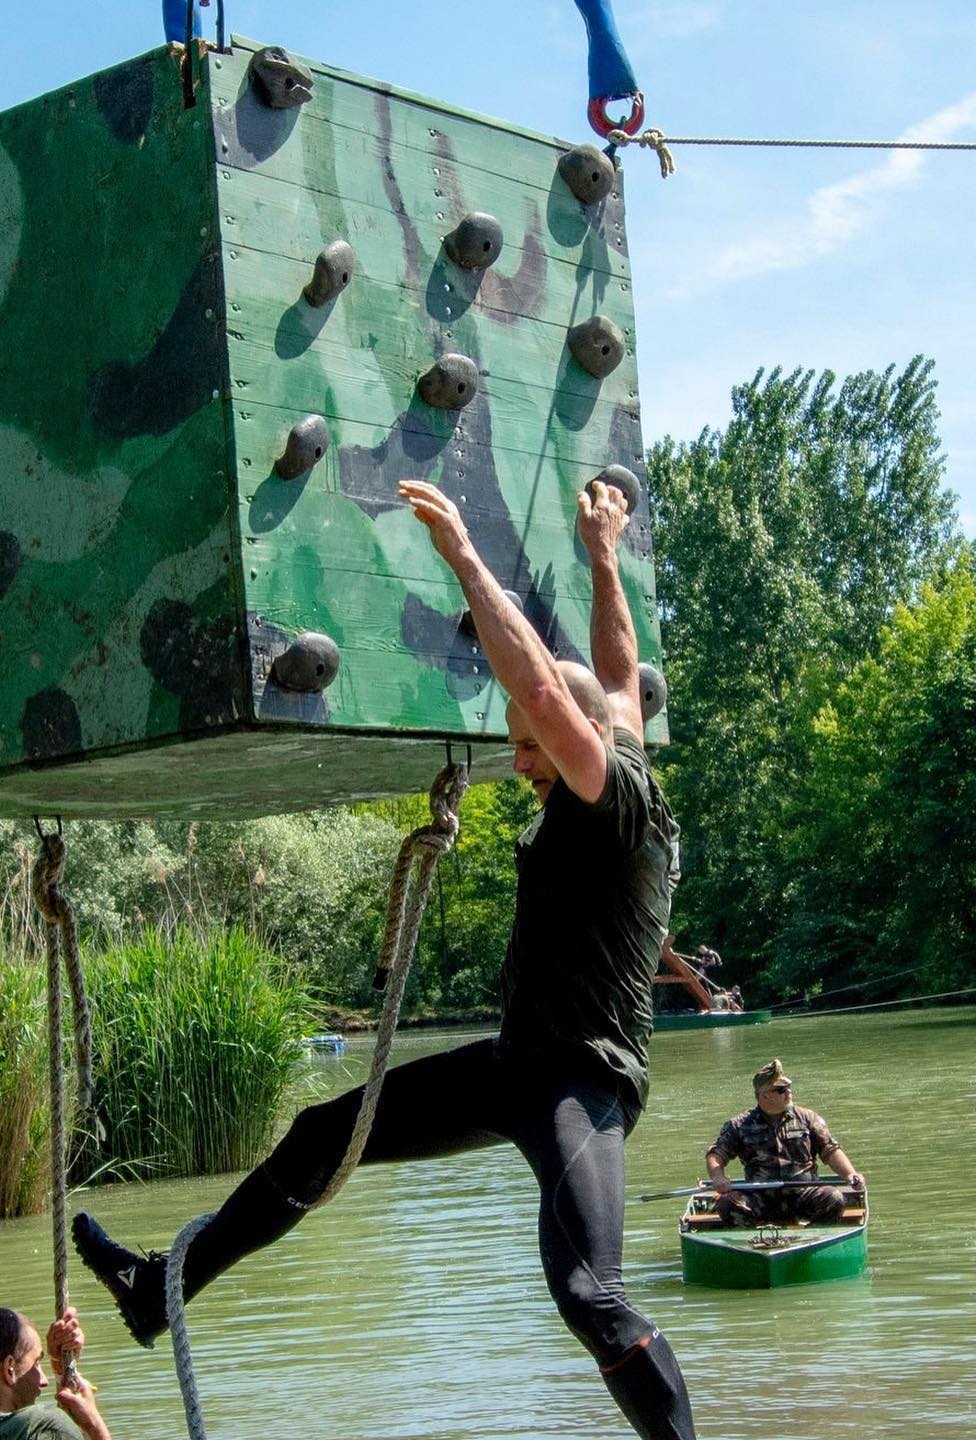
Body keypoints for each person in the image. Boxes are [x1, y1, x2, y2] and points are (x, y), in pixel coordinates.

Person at [73, 476, 696, 1439]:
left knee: (588, 1292)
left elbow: (544, 688)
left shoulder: (609, 798)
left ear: (571, 741)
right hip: (516, 1065)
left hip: (584, 1082)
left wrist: (464, 558)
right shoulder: (623, 755)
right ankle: (161, 1293)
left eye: (528, 747)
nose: (518, 760)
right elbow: (613, 674)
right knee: (323, 1134)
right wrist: (603, 554)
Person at [705, 1059, 864, 1225]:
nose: (788, 1092)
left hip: (803, 1195)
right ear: (765, 1095)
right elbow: (716, 1154)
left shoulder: (808, 1118)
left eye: (788, 1087)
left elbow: (830, 1151)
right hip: (759, 1199)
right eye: (781, 1090)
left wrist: (850, 1174)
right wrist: (718, 1177)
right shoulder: (738, 1125)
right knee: (727, 1203)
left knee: (833, 1198)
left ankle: (813, 1235)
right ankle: (753, 1235)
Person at [0, 1305, 112, 1440]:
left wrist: (60, 1368)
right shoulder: (44, 1427)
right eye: (36, 1363)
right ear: (9, 1368)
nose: (43, 1380)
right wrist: (93, 1424)